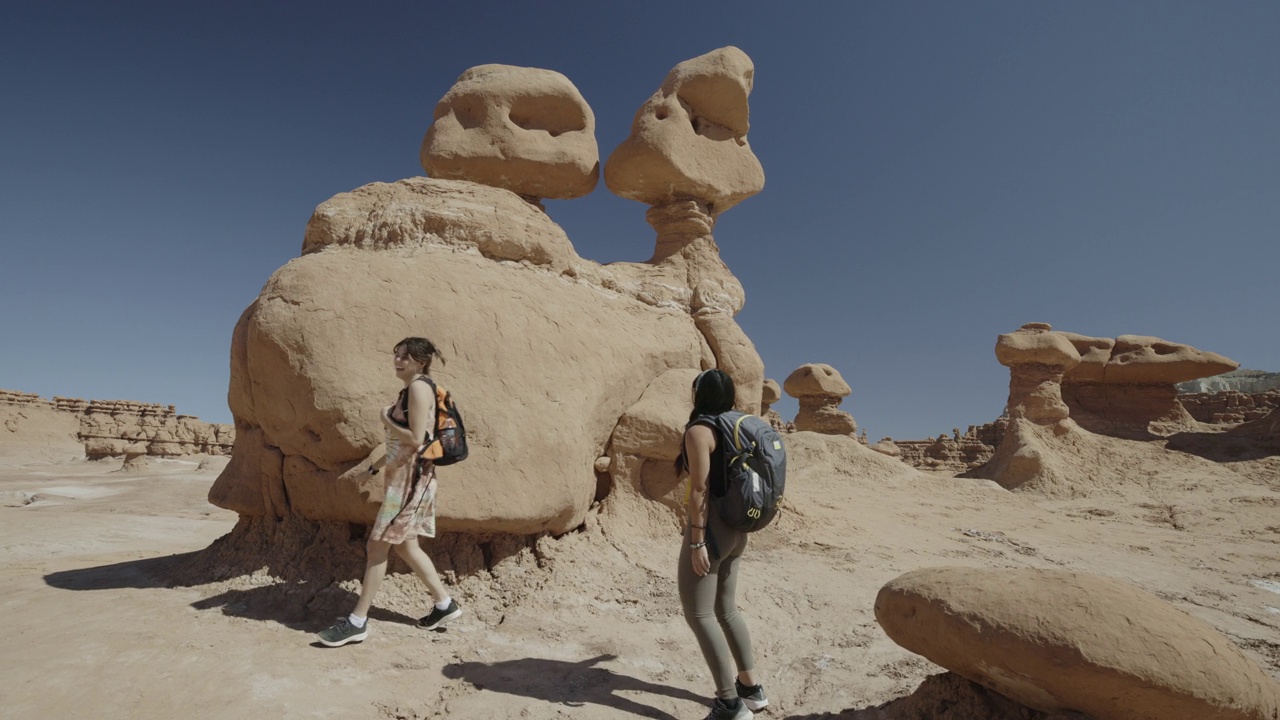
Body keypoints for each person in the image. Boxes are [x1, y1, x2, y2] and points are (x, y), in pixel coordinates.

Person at [318, 336, 462, 647]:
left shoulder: (419, 388)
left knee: (376, 548)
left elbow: (416, 438)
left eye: (405, 357)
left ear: (420, 362)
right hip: (403, 478)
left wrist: (384, 418)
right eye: (396, 355)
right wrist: (376, 466)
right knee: (407, 547)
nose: (397, 361)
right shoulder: (408, 391)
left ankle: (357, 622)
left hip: (410, 481)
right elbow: (399, 443)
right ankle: (444, 605)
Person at [676, 369, 769, 720]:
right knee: (726, 610)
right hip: (737, 528)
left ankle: (729, 704)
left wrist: (697, 541)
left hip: (711, 531)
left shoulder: (700, 430)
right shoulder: (738, 427)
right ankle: (751, 689)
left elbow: (699, 489)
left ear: (698, 394)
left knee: (699, 614)